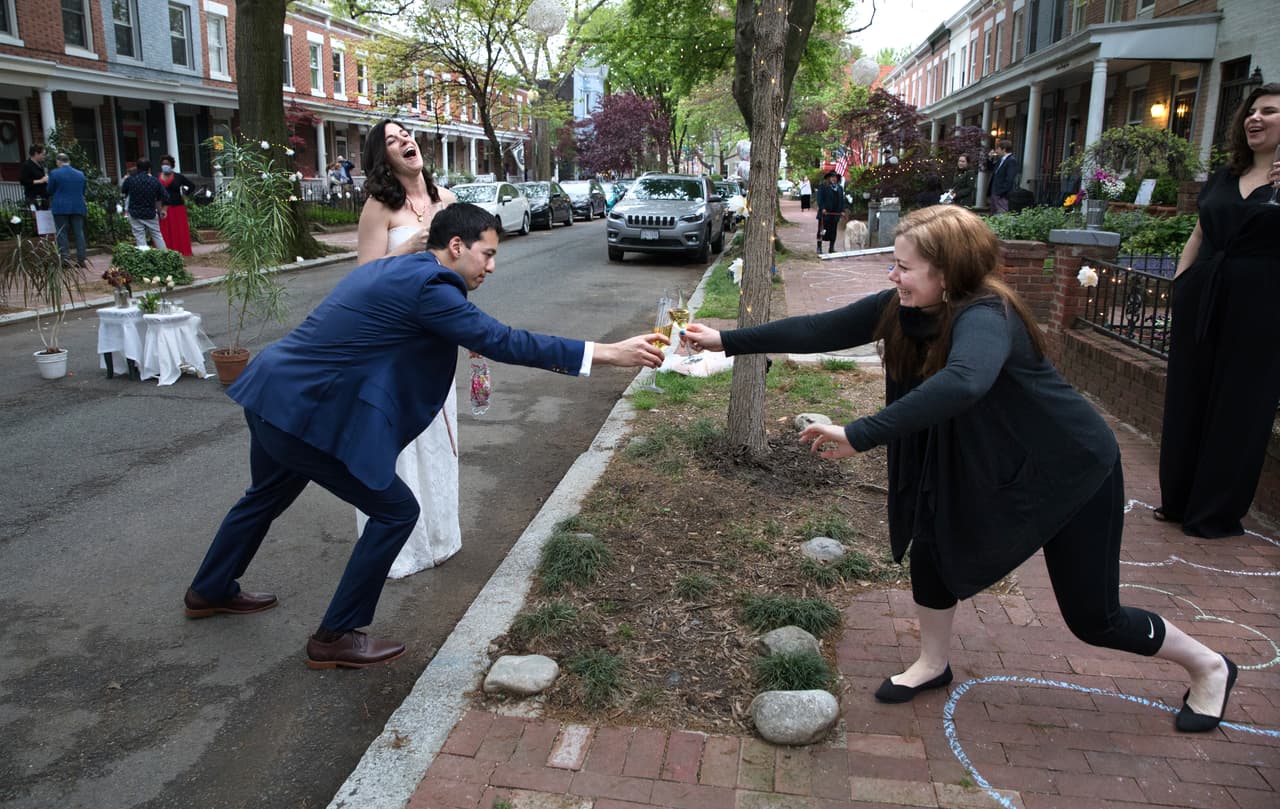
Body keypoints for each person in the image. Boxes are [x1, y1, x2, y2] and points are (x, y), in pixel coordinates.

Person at [681, 205, 1238, 733]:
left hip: (1067, 467)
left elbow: (965, 381)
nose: (893, 275)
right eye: (893, 264)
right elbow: (821, 329)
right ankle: (932, 662)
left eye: (903, 267)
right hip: (989, 462)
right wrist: (726, 339)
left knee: (1094, 618)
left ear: (947, 274)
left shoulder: (987, 317)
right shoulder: (908, 310)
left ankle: (1209, 666)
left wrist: (860, 433)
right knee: (932, 547)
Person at [184, 202, 669, 669]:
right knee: (396, 511)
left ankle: (210, 589)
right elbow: (501, 340)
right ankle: (334, 637)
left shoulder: (398, 269)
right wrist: (607, 353)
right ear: (456, 246)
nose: (493, 267)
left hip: (270, 394)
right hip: (301, 416)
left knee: (264, 495)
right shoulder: (431, 287)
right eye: (489, 253)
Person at [1157, 82, 1280, 538]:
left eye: (1269, 112)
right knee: (1190, 395)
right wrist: (1180, 284)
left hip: (1261, 307)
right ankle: (1179, 500)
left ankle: (1213, 512)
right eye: (1252, 111)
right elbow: (1199, 233)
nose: (1255, 118)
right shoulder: (1227, 176)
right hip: (1203, 298)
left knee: (1240, 404)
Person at [356, 118, 459, 578]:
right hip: (392, 339)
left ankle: (440, 538)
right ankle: (401, 549)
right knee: (399, 444)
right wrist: (408, 250)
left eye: (406, 136)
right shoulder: (379, 207)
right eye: (392, 141)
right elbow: (362, 280)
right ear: (384, 157)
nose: (405, 143)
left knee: (437, 437)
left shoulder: (448, 201)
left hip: (437, 335)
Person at [46, 153, 88, 267]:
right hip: (78, 206)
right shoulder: (80, 174)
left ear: (58, 161)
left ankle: (65, 260)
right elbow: (83, 190)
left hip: (61, 206)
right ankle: (82, 259)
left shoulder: (54, 173)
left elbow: (49, 190)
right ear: (69, 161)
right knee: (79, 232)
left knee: (62, 233)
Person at [121, 158, 167, 249]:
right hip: (150, 212)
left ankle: (144, 258)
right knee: (157, 235)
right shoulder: (155, 181)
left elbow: (124, 191)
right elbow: (165, 196)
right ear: (149, 169)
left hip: (135, 212)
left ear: (137, 168)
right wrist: (162, 209)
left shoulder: (130, 180)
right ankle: (165, 255)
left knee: (140, 237)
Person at [156, 155, 194, 256]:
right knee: (164, 230)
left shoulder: (178, 177)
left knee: (178, 230)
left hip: (177, 207)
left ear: (171, 165)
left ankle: (181, 250)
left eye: (167, 164)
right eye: (163, 164)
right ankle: (164, 250)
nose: (165, 166)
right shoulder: (157, 177)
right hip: (164, 208)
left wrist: (184, 195)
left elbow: (191, 186)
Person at [815, 170, 845, 254]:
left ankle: (831, 248)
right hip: (825, 214)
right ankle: (819, 248)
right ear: (828, 178)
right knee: (822, 231)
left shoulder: (839, 188)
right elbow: (819, 199)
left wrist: (842, 210)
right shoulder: (823, 186)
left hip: (835, 214)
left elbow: (842, 200)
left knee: (833, 231)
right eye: (832, 177)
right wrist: (822, 208)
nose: (833, 179)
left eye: (835, 177)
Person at [987, 139, 1018, 213]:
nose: (996, 151)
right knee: (994, 215)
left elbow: (1009, 179)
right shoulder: (1001, 159)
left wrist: (1000, 193)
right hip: (995, 194)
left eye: (998, 148)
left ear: (1004, 149)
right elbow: (991, 168)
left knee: (1000, 214)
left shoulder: (1011, 161)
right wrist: (990, 158)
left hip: (1002, 196)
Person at [20, 144, 48, 210]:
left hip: (43, 196)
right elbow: (23, 181)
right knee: (36, 218)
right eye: (43, 154)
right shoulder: (27, 165)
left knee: (44, 217)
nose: (44, 156)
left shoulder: (40, 164)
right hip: (33, 197)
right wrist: (41, 181)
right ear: (36, 154)